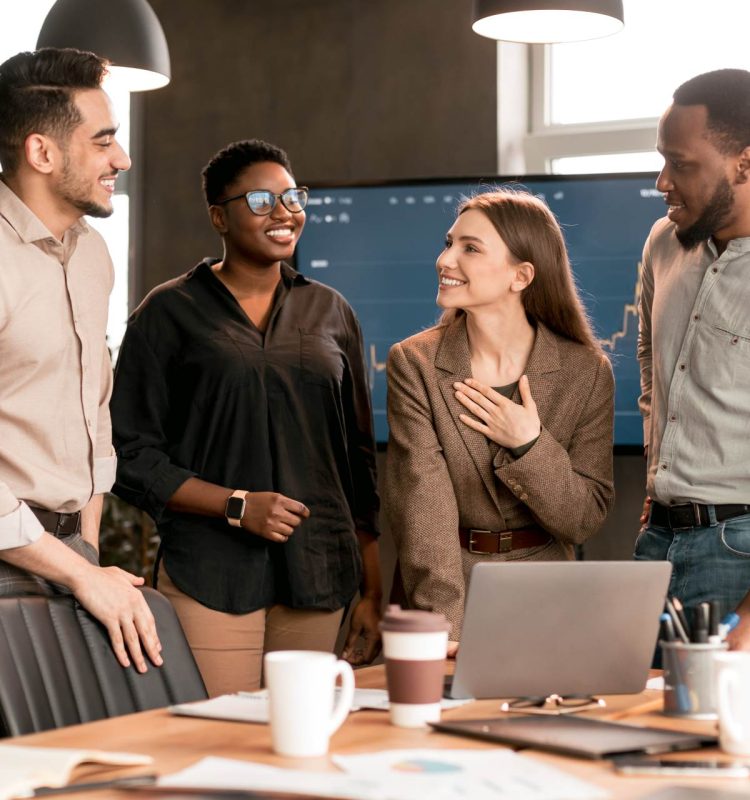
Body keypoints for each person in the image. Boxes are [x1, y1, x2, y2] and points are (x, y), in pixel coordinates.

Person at [110, 139, 382, 696]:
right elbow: (128, 457)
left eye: (292, 197)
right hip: (211, 571)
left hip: (319, 570)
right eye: (262, 200)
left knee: (300, 742)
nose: (284, 212)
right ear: (219, 217)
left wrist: (374, 591)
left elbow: (357, 458)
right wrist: (236, 506)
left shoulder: (331, 311)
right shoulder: (168, 313)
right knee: (221, 738)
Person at [384, 189, 615, 647]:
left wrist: (530, 444)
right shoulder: (415, 363)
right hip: (446, 595)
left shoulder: (586, 371)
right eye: (449, 243)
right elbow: (422, 511)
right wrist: (446, 633)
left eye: (469, 248)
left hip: (548, 599)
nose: (445, 259)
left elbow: (583, 518)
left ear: (521, 275)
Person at [0, 48, 161, 672]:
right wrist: (76, 571)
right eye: (104, 141)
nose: (122, 158)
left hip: (70, 560)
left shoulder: (92, 254)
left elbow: (94, 411)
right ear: (42, 153)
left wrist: (86, 553)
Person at [635, 69, 750, 651]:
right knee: (634, 724)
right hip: (657, 541)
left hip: (739, 548)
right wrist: (657, 481)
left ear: (744, 165)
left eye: (682, 165)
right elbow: (652, 363)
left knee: (714, 738)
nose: (662, 182)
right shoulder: (661, 242)